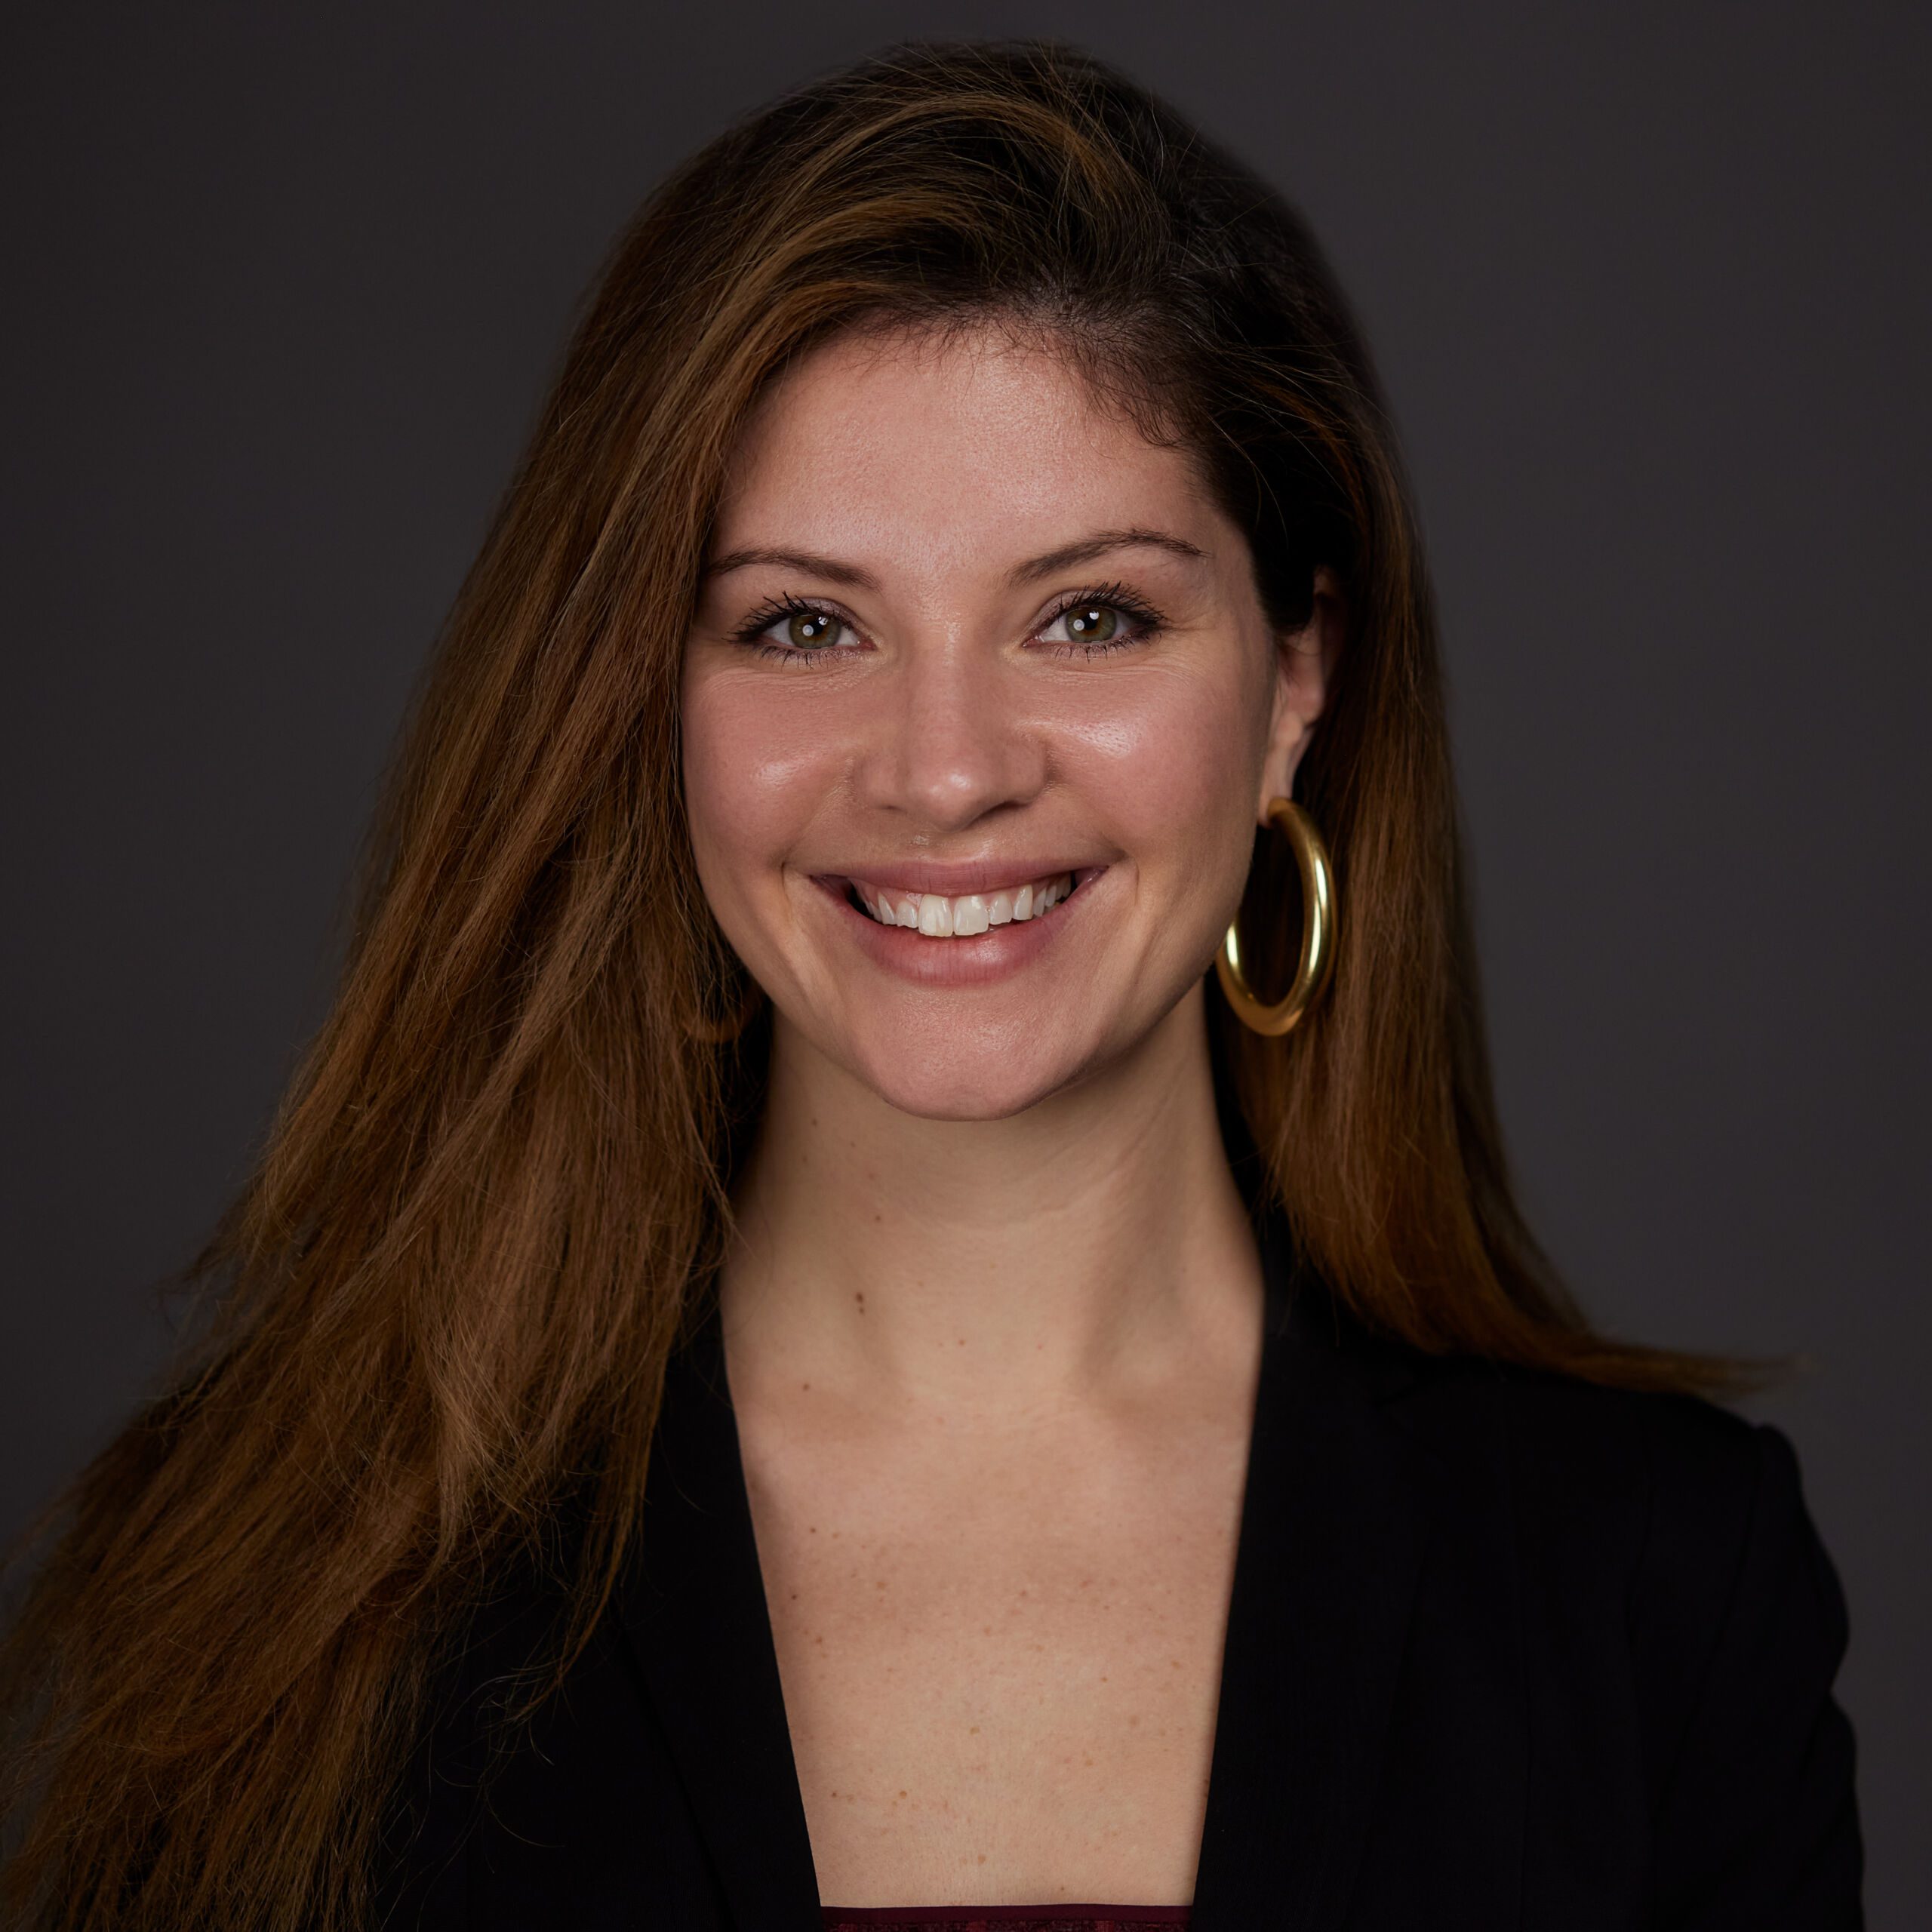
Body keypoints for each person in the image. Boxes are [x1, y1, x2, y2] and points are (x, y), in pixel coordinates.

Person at [0, 39, 1861, 1932]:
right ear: (645, 699)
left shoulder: (1656, 1592)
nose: (946, 766)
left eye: (1088, 614)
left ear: (1296, 677)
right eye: (805, 623)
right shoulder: (298, 1591)